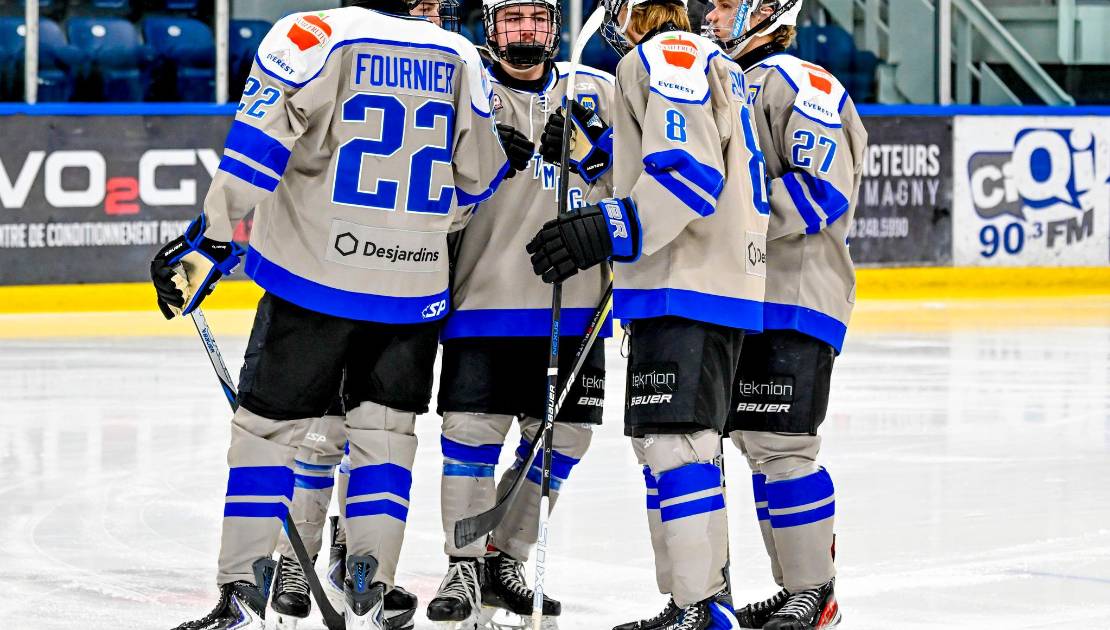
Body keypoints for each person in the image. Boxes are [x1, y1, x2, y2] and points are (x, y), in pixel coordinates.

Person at [149, 0, 531, 627]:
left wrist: (210, 238)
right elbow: (479, 178)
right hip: (412, 291)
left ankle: (243, 593)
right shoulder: (460, 57)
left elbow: (257, 146)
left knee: (267, 433)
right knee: (385, 436)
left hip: (312, 282)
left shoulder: (315, 34)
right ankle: (371, 583)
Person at [526, 0, 771, 626]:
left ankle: (697, 608)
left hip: (685, 280)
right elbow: (655, 162)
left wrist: (603, 228)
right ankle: (700, 603)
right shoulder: (702, 61)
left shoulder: (663, 54)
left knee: (675, 448)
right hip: (702, 282)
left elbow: (688, 176)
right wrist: (591, 152)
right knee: (681, 451)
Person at [263, 3, 464, 629]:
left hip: (400, 281)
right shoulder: (399, 58)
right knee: (327, 430)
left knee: (378, 432)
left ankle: (363, 559)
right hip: (344, 272)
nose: (430, 13)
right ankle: (297, 556)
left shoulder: (455, 65)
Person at [427, 0, 616, 626]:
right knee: (471, 439)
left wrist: (592, 155)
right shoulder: (465, 87)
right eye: (513, 19)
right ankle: (462, 564)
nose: (526, 29)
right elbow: (426, 191)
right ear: (491, 27)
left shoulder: (597, 91)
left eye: (537, 17)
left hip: (575, 309)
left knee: (561, 441)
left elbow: (643, 183)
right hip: (483, 299)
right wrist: (477, 161)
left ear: (554, 27)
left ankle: (505, 556)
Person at [702, 1, 866, 628]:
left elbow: (819, 191)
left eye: (722, 4)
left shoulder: (805, 83)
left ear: (765, 8)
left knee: (783, 445)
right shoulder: (724, 79)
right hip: (745, 295)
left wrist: (718, 222)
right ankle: (794, 584)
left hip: (796, 295)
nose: (709, 14)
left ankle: (814, 590)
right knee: (754, 442)